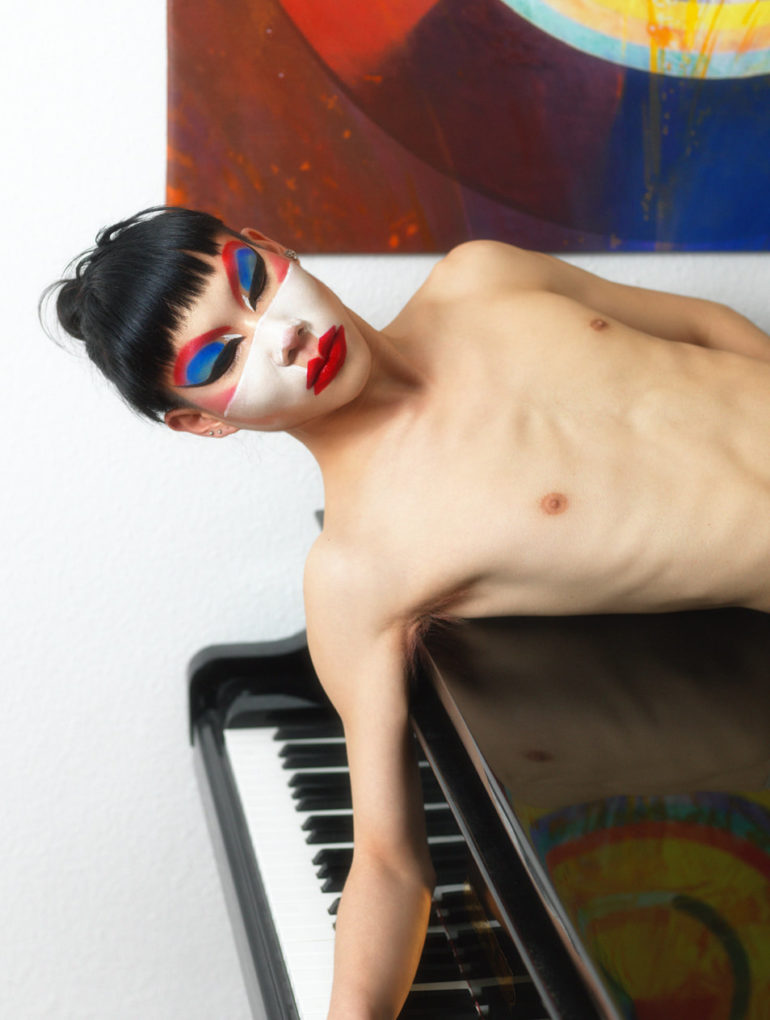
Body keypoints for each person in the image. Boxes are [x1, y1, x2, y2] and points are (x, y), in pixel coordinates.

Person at [45, 206, 770, 1019]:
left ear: (271, 246)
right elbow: (390, 863)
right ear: (203, 422)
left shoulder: (481, 274)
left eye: (253, 285)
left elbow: (706, 326)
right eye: (222, 356)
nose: (282, 336)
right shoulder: (363, 570)